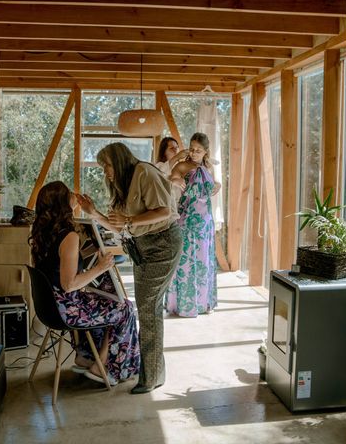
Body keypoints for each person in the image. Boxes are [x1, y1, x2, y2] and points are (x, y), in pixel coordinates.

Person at [76, 143, 182, 394]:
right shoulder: (123, 185)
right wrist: (94, 213)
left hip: (162, 244)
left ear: (120, 161)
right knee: (149, 308)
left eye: (107, 166)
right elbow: (120, 227)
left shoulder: (144, 173)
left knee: (148, 309)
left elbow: (165, 211)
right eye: (103, 167)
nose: (105, 172)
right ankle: (152, 372)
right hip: (142, 247)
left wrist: (130, 220)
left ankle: (151, 377)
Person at [29, 181, 140, 386]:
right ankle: (102, 366)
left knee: (94, 298)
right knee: (125, 308)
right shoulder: (68, 236)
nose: (74, 195)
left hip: (49, 307)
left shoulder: (40, 232)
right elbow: (69, 285)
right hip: (66, 311)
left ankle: (85, 356)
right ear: (63, 202)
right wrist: (100, 268)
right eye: (70, 193)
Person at [165, 132, 220, 317]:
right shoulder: (183, 165)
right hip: (187, 219)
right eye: (192, 149)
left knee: (203, 261)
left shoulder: (207, 168)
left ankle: (202, 303)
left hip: (205, 222)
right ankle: (183, 305)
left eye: (199, 150)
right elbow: (171, 177)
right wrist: (176, 179)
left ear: (205, 152)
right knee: (185, 262)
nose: (194, 153)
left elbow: (209, 187)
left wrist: (217, 185)